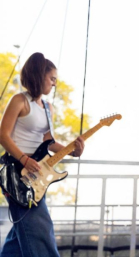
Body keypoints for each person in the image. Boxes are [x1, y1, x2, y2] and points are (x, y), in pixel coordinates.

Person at [0, 52, 85, 257]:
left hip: (38, 175)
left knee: (23, 232)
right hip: (17, 172)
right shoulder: (19, 100)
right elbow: (3, 135)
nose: (55, 83)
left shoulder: (48, 108)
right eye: (52, 78)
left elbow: (48, 142)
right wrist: (24, 159)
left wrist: (72, 151)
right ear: (40, 76)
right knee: (39, 229)